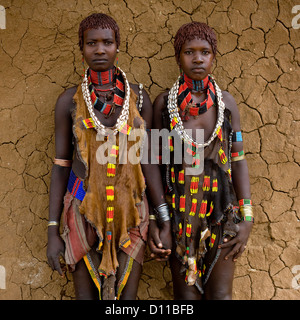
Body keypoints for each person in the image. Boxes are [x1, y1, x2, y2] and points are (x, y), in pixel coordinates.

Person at [46, 13, 152, 300]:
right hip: (81, 209)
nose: (100, 49)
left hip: (131, 210)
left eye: (107, 42)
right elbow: (61, 166)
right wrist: (53, 230)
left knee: (126, 301)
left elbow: (148, 162)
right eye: (91, 43)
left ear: (118, 46)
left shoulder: (139, 98)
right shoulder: (69, 101)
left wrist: (161, 218)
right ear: (81, 48)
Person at [147, 21, 253, 300]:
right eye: (189, 52)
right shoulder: (164, 104)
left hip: (223, 213)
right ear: (177, 57)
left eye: (204, 51)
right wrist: (159, 219)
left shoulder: (226, 104)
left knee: (221, 295)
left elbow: (238, 160)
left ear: (214, 56)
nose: (197, 58)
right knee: (186, 299)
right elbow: (153, 166)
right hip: (180, 213)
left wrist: (248, 218)